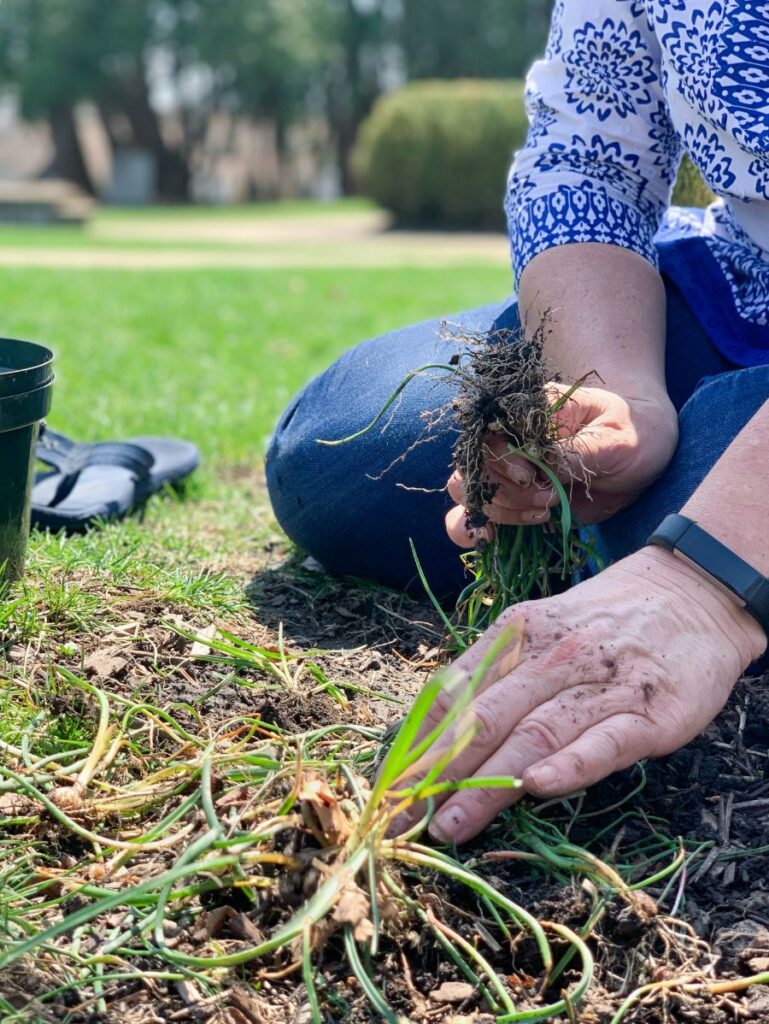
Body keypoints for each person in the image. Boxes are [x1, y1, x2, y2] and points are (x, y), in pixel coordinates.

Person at [266, 1, 769, 845]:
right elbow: (589, 163)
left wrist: (705, 581)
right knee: (339, 457)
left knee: (717, 464)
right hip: (739, 286)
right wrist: (618, 397)